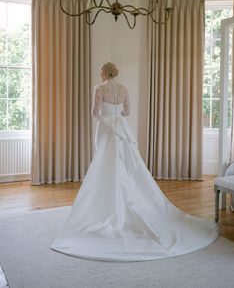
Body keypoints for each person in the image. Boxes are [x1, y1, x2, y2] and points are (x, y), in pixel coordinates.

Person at [51, 62, 219, 262]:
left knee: (105, 162)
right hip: (121, 127)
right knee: (126, 162)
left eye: (101, 72)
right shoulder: (123, 89)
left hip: (106, 128)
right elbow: (127, 111)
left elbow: (94, 113)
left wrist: (106, 115)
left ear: (104, 73)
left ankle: (107, 202)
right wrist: (116, 113)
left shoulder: (100, 88)